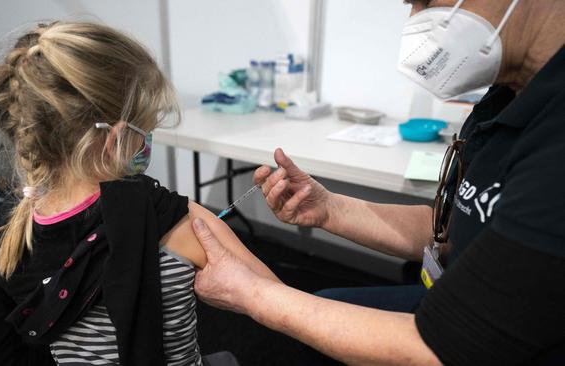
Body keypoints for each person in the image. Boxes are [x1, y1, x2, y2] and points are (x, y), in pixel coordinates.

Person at [191, 0, 565, 365]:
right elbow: (457, 229)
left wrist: (251, 294)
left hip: (471, 343)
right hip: (460, 300)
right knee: (325, 311)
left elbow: (441, 349)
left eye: (427, 2)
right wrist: (327, 208)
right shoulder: (507, 96)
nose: (418, 22)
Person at [0, 21, 277, 366]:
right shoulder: (161, 213)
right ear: (115, 137)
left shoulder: (11, 232)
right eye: (145, 127)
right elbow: (274, 295)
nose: (147, 140)